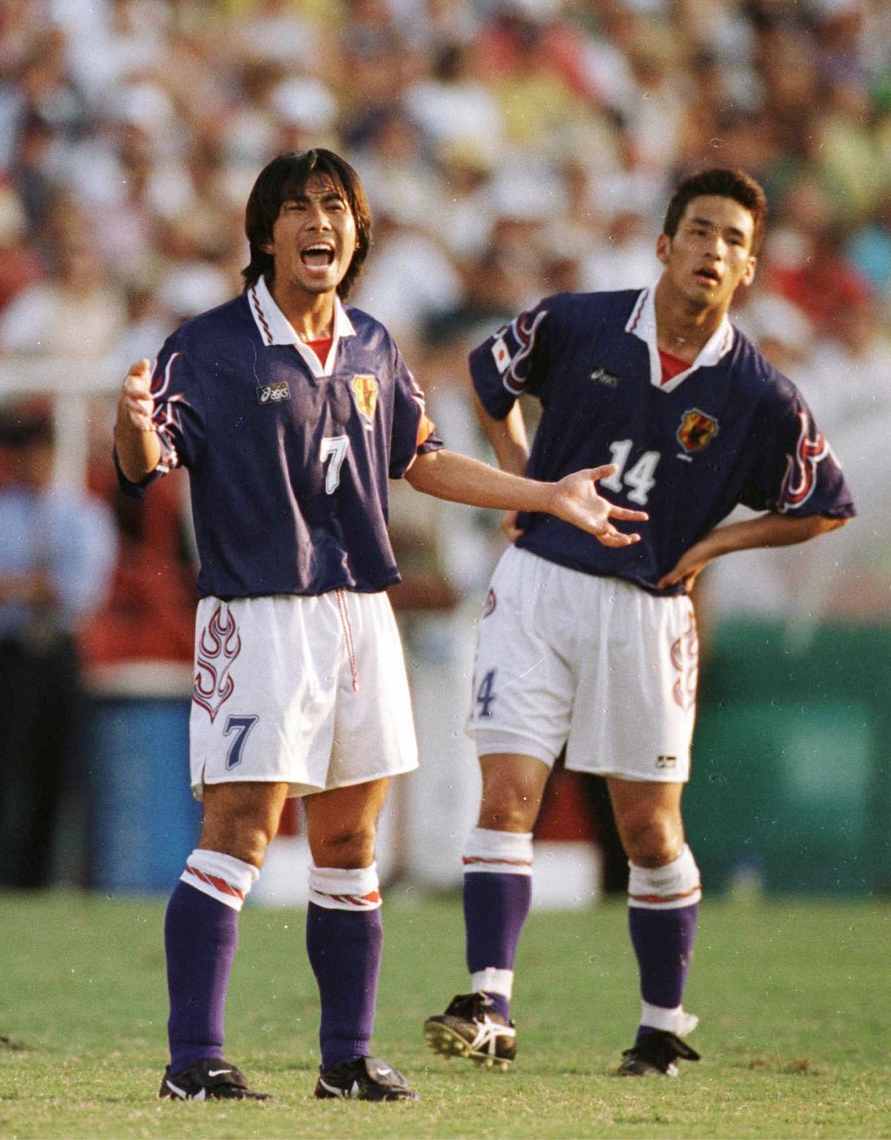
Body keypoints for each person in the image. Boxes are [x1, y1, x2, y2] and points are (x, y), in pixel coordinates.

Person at [113, 147, 646, 1103]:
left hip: (363, 613)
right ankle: (193, 1060)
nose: (319, 222)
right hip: (260, 613)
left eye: (335, 207)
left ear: (358, 233)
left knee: (354, 844)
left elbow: (425, 459)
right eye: (298, 207)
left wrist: (546, 494)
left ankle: (345, 1059)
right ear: (264, 231)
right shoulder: (211, 342)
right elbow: (149, 459)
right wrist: (132, 428)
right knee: (238, 831)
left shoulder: (371, 344)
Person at [423, 167, 854, 1078]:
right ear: (664, 245)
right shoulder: (576, 321)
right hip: (539, 583)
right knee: (507, 795)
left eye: (735, 241)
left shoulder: (759, 394)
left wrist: (710, 550)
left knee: (649, 830)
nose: (714, 250)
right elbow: (485, 374)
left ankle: (664, 1024)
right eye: (700, 231)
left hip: (649, 612)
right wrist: (521, 479)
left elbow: (824, 505)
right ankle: (489, 1001)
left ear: (750, 271)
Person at [0, 416, 117, 888]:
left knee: (54, 768)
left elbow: (82, 593)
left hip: (58, 651)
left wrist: (28, 587)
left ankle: (36, 879)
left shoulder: (82, 513)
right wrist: (42, 587)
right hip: (13, 649)